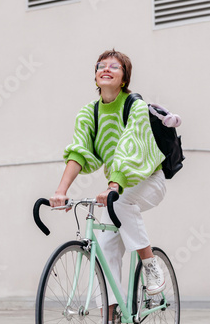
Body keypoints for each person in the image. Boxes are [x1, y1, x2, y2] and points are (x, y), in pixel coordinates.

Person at [49, 49, 166, 319]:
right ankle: (111, 315)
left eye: (115, 66)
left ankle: (149, 263)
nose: (106, 68)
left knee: (122, 201)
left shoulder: (134, 106)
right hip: (117, 187)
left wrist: (114, 185)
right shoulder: (89, 112)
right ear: (96, 75)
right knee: (105, 251)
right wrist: (61, 191)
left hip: (149, 180)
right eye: (101, 65)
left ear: (124, 78)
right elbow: (78, 151)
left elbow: (129, 147)